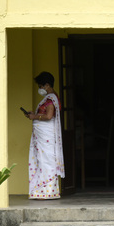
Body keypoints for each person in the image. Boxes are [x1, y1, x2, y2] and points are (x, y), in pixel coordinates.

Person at [24, 71, 65, 199]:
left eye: (40, 86)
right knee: (42, 161)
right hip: (42, 136)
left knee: (47, 161)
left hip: (46, 135)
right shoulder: (48, 98)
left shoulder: (51, 98)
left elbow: (48, 116)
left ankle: (49, 191)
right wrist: (34, 114)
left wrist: (34, 116)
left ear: (47, 85)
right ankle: (41, 191)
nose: (39, 89)